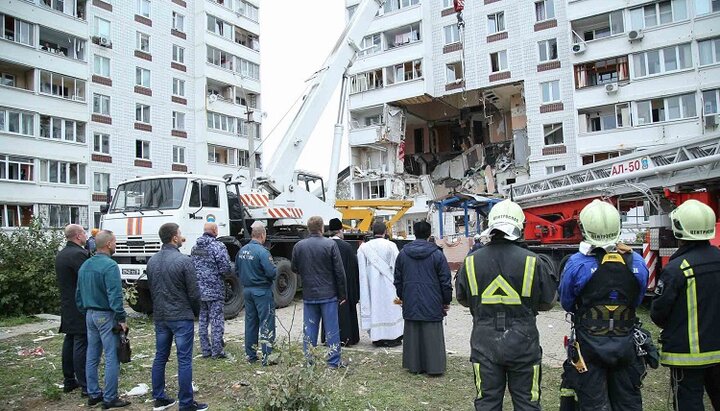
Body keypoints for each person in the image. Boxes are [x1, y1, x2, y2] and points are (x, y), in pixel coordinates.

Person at [456, 199, 557, 410]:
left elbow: (463, 299)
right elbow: (548, 302)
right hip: (523, 341)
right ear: (520, 226)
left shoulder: (471, 261)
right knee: (527, 402)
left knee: (487, 403)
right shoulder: (532, 260)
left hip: (484, 341)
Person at [558, 199, 649, 411]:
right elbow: (636, 300)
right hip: (625, 345)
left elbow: (566, 302)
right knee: (627, 402)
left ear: (584, 228)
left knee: (593, 404)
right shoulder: (636, 262)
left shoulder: (577, 263)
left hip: (589, 347)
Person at [650, 199, 720, 410]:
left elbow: (658, 313)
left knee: (689, 404)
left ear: (679, 229)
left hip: (687, 356)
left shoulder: (677, 269)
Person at [147, 223, 206, 411]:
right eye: (180, 234)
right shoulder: (184, 261)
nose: (182, 237)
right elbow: (194, 292)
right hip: (180, 316)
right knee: (184, 359)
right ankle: (186, 403)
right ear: (174, 238)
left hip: (161, 316)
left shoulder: (152, 261)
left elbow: (152, 289)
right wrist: (196, 312)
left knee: (160, 356)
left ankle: (159, 397)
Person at [75, 230, 130, 409]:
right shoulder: (110, 266)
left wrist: (85, 311)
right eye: (115, 242)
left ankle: (93, 393)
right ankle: (110, 397)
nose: (116, 245)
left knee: (92, 355)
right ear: (108, 244)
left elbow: (78, 294)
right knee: (112, 356)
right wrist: (121, 318)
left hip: (90, 314)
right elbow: (115, 296)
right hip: (106, 315)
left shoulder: (85, 265)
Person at [394, 220, 452, 375]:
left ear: (414, 233)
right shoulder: (437, 254)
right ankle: (434, 366)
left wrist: (402, 296)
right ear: (429, 234)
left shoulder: (403, 254)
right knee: (432, 334)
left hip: (411, 297)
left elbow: (397, 279)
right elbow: (445, 281)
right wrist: (446, 300)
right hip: (433, 300)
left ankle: (414, 365)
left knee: (413, 333)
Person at [291, 216, 347, 368]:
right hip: (328, 293)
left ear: (309, 229)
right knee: (332, 330)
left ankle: (309, 361)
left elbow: (294, 268)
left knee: (309, 330)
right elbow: (339, 271)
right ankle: (333, 361)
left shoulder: (299, 246)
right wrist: (342, 294)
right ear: (322, 228)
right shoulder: (330, 245)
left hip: (309, 294)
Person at [236, 221, 277, 365]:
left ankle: (251, 354)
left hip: (247, 291)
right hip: (262, 291)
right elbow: (272, 272)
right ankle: (268, 356)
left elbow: (237, 270)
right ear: (262, 235)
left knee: (251, 323)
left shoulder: (242, 250)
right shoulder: (263, 252)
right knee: (266, 322)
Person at [357, 221, 404, 347]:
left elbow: (361, 271)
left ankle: (377, 337)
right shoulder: (391, 245)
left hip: (372, 286)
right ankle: (393, 337)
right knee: (392, 309)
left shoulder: (363, 248)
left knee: (376, 309)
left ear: (373, 232)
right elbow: (398, 266)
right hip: (389, 285)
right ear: (385, 232)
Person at [55, 224, 89, 396]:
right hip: (79, 305)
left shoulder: (62, 254)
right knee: (81, 342)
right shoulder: (78, 254)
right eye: (84, 232)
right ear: (77, 236)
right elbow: (87, 277)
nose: (86, 235)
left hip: (67, 303)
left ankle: (69, 379)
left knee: (70, 340)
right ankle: (85, 384)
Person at [191, 222, 231, 359]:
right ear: (214, 230)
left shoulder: (195, 247)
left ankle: (205, 350)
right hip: (215, 290)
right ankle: (217, 351)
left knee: (203, 320)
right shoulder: (218, 246)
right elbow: (225, 268)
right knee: (216, 320)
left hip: (200, 290)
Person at [322, 218, 360, 347]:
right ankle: (347, 337)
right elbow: (353, 270)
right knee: (344, 313)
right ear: (340, 231)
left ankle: (328, 337)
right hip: (344, 288)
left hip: (327, 287)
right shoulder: (346, 247)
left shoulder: (324, 245)